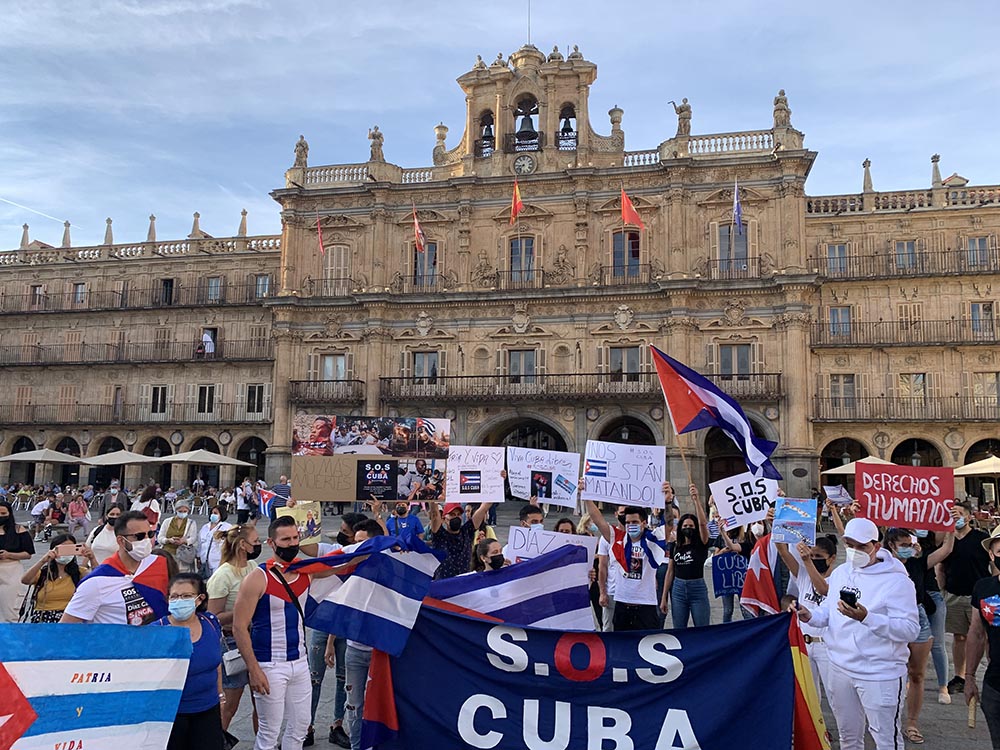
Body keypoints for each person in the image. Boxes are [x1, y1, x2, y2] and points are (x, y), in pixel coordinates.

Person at [794, 518, 920, 750]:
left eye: (862, 546)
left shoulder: (897, 581)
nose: (855, 551)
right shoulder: (842, 572)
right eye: (850, 545)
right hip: (840, 668)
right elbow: (829, 611)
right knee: (848, 738)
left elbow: (910, 630)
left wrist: (867, 618)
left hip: (880, 673)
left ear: (876, 547)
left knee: (885, 740)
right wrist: (809, 615)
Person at [233, 516, 341, 750]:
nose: (292, 543)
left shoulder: (305, 571)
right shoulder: (257, 578)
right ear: (272, 543)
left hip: (299, 661)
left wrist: (376, 549)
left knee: (301, 726)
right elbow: (239, 627)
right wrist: (254, 669)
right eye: (285, 539)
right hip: (269, 663)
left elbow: (342, 564)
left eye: (295, 538)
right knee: (269, 732)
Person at [884, 526, 955, 744]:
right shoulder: (880, 565)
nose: (907, 548)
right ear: (891, 547)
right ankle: (886, 720)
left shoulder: (918, 563)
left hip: (918, 617)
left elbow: (946, 550)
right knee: (887, 671)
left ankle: (912, 723)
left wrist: (950, 528)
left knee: (917, 673)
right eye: (902, 545)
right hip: (888, 619)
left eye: (909, 544)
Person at [61, 510, 169, 625]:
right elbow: (65, 627)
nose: (147, 540)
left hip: (157, 639)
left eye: (150, 534)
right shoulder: (96, 582)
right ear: (121, 541)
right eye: (140, 536)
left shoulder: (159, 564)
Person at [155, 574, 224, 750]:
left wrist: (221, 695)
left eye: (186, 596)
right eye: (175, 596)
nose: (180, 600)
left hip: (208, 709)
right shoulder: (156, 632)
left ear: (199, 599)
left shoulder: (210, 622)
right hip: (171, 716)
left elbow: (216, 664)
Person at [207, 524, 262, 734]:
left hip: (254, 637)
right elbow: (214, 617)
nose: (258, 545)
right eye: (255, 542)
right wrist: (244, 609)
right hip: (231, 643)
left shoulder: (253, 566)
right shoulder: (223, 576)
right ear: (242, 545)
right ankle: (216, 741)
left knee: (261, 701)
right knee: (230, 703)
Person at [587, 500, 668, 631]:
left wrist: (668, 502)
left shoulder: (653, 540)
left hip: (645, 606)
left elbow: (669, 524)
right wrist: (586, 498)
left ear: (644, 523)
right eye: (628, 522)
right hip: (622, 605)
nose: (631, 525)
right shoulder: (618, 538)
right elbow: (598, 519)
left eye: (634, 522)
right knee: (622, 647)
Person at [776, 536, 836, 698]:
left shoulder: (839, 579)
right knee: (808, 696)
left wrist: (807, 561)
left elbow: (823, 588)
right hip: (804, 643)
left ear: (832, 559)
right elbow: (783, 552)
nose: (814, 559)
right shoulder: (802, 575)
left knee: (835, 696)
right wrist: (777, 527)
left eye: (818, 557)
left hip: (826, 646)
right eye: (812, 555)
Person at [941, 501, 990, 695]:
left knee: (984, 636)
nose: (956, 517)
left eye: (960, 513)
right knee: (959, 636)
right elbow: (942, 566)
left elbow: (992, 564)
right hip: (955, 595)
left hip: (977, 596)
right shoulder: (948, 539)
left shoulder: (981, 539)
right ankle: (960, 675)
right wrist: (942, 589)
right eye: (953, 514)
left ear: (969, 517)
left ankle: (987, 674)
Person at [965, 525, 1000, 749]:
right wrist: (969, 677)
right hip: (995, 685)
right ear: (991, 554)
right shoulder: (984, 588)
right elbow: (976, 634)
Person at [20, 533, 96, 622]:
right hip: (43, 618)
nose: (66, 553)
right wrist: (43, 560)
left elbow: (98, 580)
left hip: (69, 618)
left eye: (70, 549)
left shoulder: (80, 572)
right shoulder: (44, 573)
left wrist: (92, 558)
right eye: (62, 549)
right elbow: (25, 580)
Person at [669, 485, 711, 628]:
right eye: (685, 525)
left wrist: (696, 500)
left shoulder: (701, 544)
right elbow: (670, 571)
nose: (688, 528)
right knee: (679, 629)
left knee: (702, 628)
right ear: (680, 528)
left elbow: (703, 524)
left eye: (691, 526)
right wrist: (663, 599)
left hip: (697, 588)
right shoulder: (675, 545)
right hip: (678, 589)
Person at [428, 495, 491, 579]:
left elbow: (483, 508)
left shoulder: (467, 531)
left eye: (458, 514)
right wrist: (433, 498)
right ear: (443, 518)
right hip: (443, 584)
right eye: (452, 514)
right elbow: (435, 515)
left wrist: (494, 486)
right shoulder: (439, 535)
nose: (456, 517)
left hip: (463, 584)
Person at [0, 499, 35, 621]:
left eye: (3, 514)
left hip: (11, 569)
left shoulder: (19, 530)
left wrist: (9, 555)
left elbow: (28, 553)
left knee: (10, 607)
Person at [597, 504, 628, 632]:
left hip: (630, 594)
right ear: (616, 514)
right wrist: (602, 592)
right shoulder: (607, 538)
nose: (624, 515)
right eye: (622, 512)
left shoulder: (638, 536)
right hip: (612, 591)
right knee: (608, 628)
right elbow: (602, 566)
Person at [159, 499, 199, 573]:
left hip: (182, 554)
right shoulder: (167, 521)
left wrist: (185, 541)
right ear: (176, 510)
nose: (182, 513)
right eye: (180, 511)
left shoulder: (191, 523)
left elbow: (193, 538)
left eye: (185, 511)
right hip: (168, 552)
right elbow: (160, 537)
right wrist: (168, 540)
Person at [199, 505, 233, 578]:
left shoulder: (226, 527)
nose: (213, 515)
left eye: (215, 513)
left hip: (218, 562)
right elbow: (200, 543)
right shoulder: (205, 527)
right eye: (212, 513)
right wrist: (198, 557)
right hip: (204, 562)